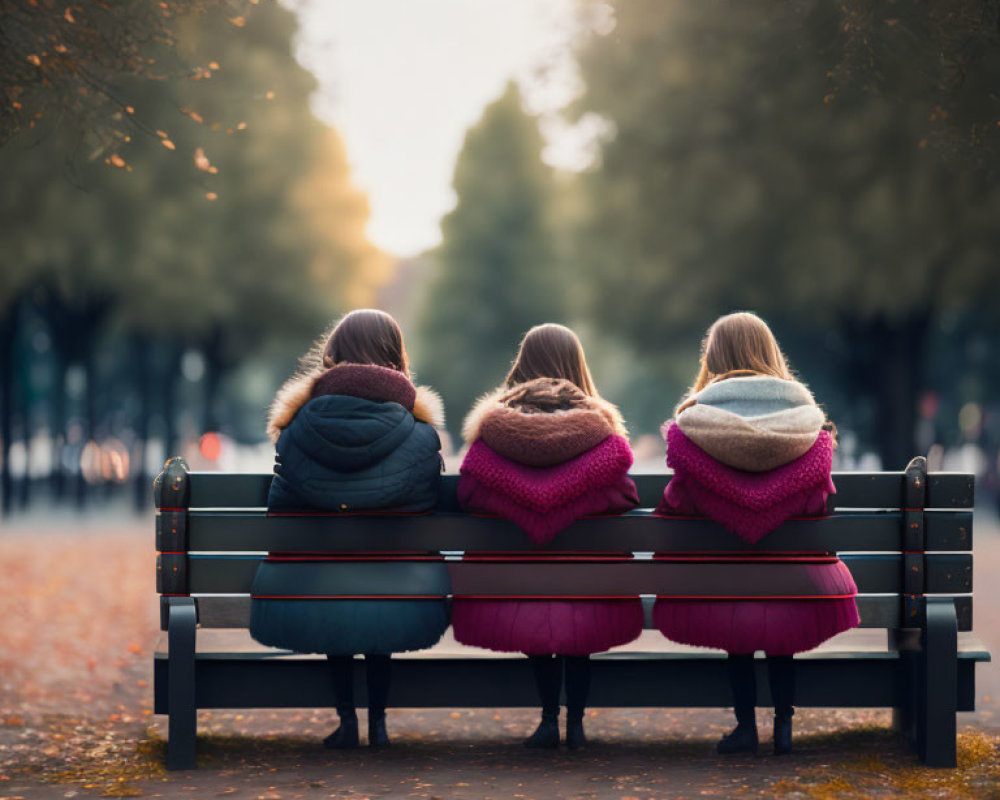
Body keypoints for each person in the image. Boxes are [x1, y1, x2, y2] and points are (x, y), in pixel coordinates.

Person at [653, 312, 859, 756]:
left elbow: (677, 506)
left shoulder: (693, 425)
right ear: (770, 354)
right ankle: (783, 726)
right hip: (794, 585)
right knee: (776, 617)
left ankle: (745, 726)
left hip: (722, 585)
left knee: (740, 616)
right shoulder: (808, 424)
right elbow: (821, 505)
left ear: (713, 357)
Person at [249, 309, 449, 749]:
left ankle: (347, 721)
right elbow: (430, 503)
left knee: (336, 594)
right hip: (401, 592)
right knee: (376, 597)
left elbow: (281, 511)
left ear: (332, 356)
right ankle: (378, 724)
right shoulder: (419, 433)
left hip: (314, 588)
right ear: (395, 357)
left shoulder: (298, 428)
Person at [452, 323, 642, 749]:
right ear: (577, 365)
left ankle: (548, 718)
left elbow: (468, 493)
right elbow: (625, 497)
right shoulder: (601, 430)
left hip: (517, 583)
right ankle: (575, 722)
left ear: (522, 365)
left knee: (541, 608)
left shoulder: (494, 430)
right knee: (575, 612)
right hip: (589, 583)